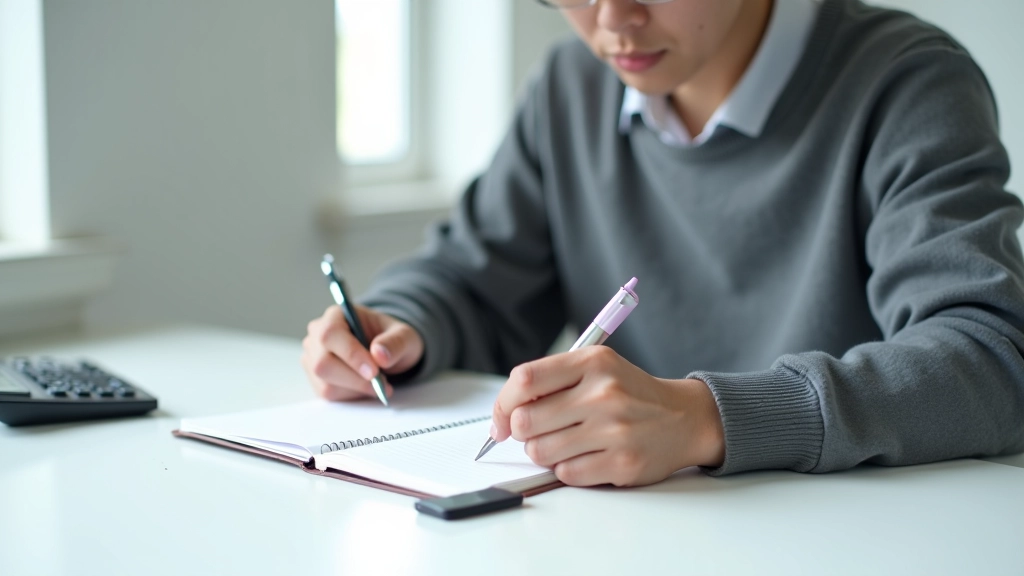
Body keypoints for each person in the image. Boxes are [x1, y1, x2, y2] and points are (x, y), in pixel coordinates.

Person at [302, 0, 1024, 487]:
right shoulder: (570, 88)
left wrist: (708, 418)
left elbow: (992, 358)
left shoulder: (905, 81)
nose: (613, 22)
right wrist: (400, 326)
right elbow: (474, 280)